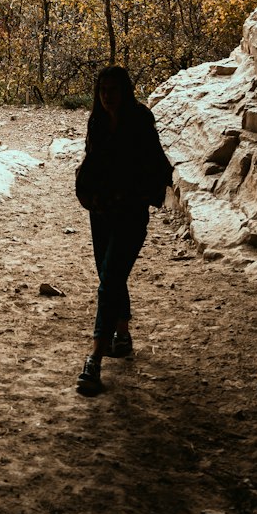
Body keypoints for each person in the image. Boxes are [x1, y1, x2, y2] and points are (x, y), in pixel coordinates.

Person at [74, 64, 172, 396]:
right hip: (101, 210)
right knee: (108, 274)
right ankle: (123, 332)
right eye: (102, 91)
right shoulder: (97, 121)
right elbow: (91, 160)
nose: (107, 97)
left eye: (113, 90)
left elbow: (155, 165)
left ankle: (95, 358)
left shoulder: (141, 120)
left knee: (110, 280)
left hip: (130, 212)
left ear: (125, 91)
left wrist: (138, 195)